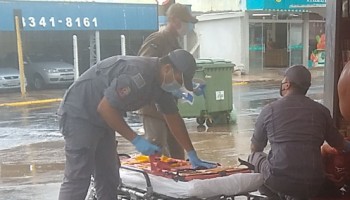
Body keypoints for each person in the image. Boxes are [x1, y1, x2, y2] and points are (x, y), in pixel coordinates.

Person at [57, 49, 216, 200]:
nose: (178, 85)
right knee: (79, 176)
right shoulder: (138, 74)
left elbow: (173, 117)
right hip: (79, 114)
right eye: (179, 80)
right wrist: (136, 139)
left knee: (108, 174)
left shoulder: (161, 85)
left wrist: (192, 154)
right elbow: (105, 108)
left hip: (103, 121)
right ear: (167, 68)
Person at [248, 65, 350, 199]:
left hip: (279, 181)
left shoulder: (269, 110)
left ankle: (274, 197)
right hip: (314, 181)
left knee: (254, 156)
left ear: (287, 85)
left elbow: (256, 147)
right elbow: (340, 144)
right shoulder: (321, 111)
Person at [138, 3, 198, 159]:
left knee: (178, 154)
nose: (187, 26)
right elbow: (144, 69)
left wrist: (185, 89)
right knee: (158, 152)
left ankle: (179, 182)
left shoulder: (174, 42)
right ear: (173, 20)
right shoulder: (158, 39)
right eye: (185, 22)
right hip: (153, 109)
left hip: (168, 107)